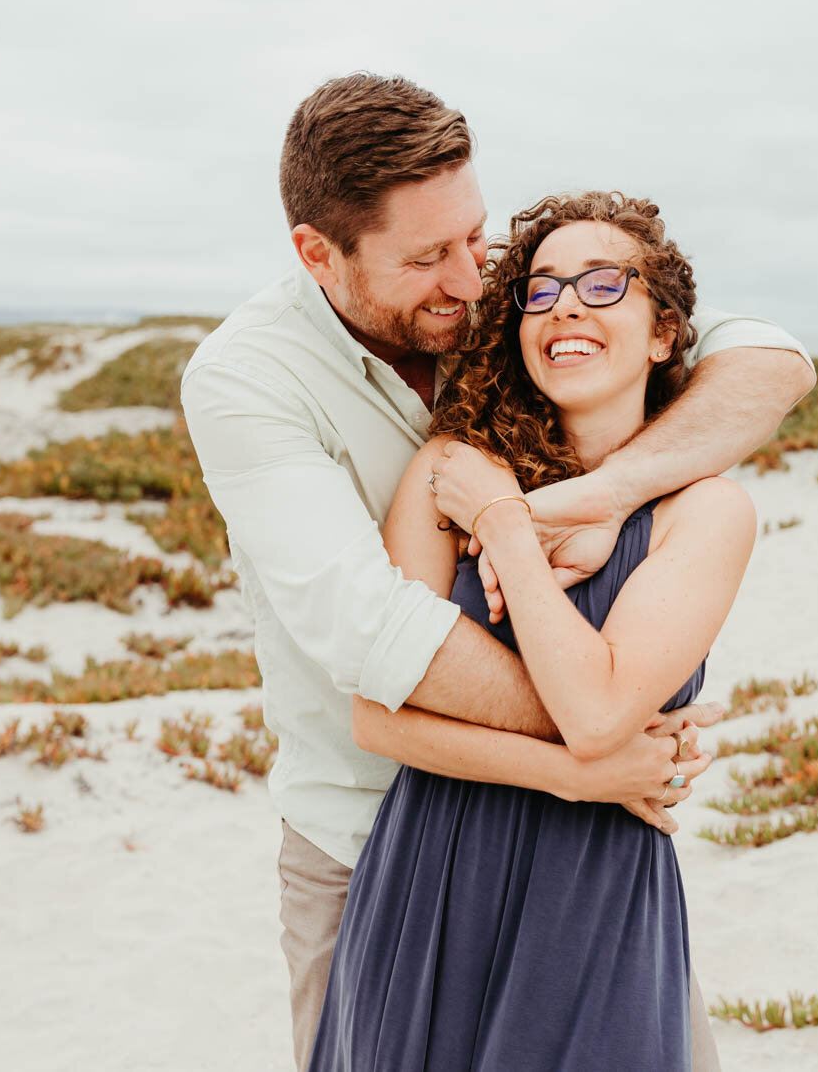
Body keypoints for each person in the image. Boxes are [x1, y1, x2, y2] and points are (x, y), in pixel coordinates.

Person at [179, 74, 815, 1070]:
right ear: (318, 254)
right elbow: (373, 642)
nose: (470, 281)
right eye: (427, 256)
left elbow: (767, 360)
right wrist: (587, 749)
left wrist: (605, 494)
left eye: (475, 240)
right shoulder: (246, 382)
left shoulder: (516, 311)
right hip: (375, 847)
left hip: (595, 861)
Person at [308, 191, 755, 1070]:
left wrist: (508, 527)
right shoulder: (450, 468)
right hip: (433, 874)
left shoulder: (708, 512)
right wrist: (577, 775)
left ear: (663, 332)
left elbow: (594, 712)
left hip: (592, 889)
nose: (568, 308)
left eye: (601, 282)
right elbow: (375, 716)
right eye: (542, 291)